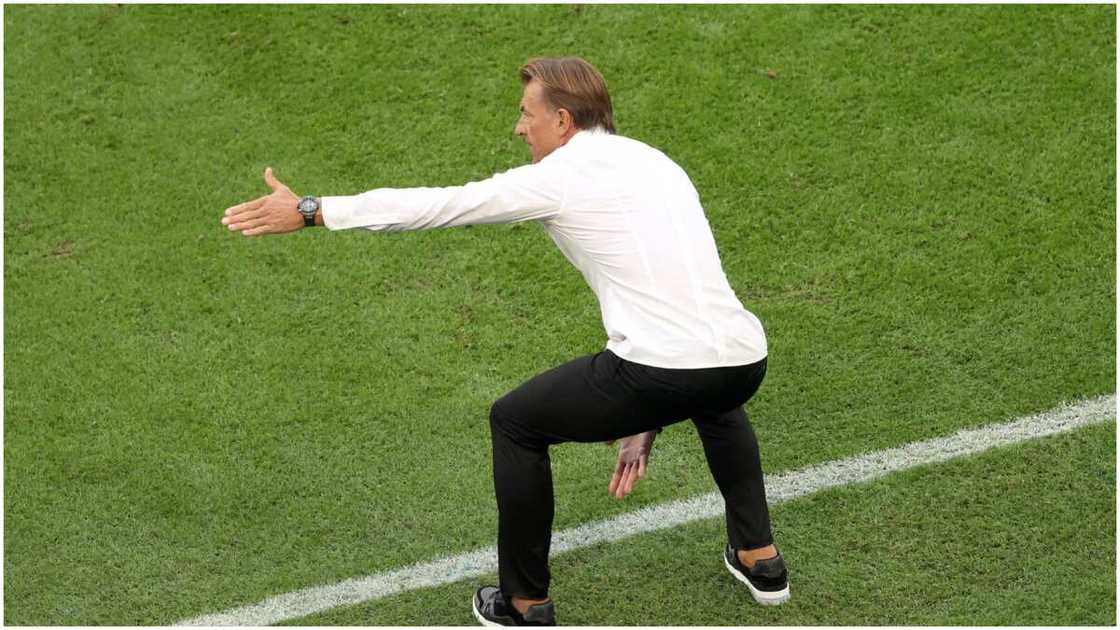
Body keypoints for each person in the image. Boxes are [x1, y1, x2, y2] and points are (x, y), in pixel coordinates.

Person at [221, 56, 788, 626]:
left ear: (562, 121)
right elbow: (673, 298)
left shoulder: (559, 179)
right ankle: (760, 558)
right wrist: (650, 413)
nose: (519, 128)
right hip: (743, 358)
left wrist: (313, 211)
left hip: (661, 368)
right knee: (716, 399)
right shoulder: (657, 163)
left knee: (515, 421)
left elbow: (440, 206)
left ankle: (524, 602)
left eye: (526, 114)